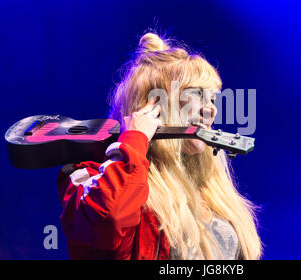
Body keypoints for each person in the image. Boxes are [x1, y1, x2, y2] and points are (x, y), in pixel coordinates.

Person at [57, 32, 262, 260]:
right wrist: (134, 141)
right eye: (197, 94)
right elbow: (107, 219)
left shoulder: (215, 191)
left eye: (213, 99)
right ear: (152, 107)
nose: (212, 109)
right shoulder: (92, 174)